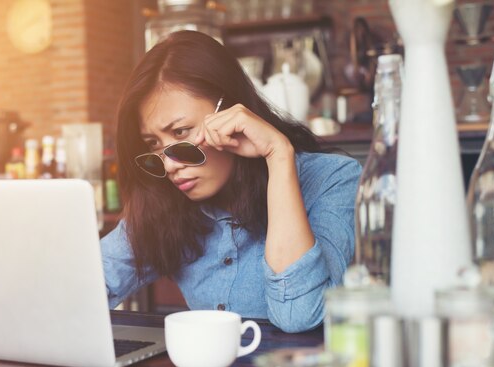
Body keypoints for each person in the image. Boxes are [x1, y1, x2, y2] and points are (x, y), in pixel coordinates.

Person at [101, 30, 361, 333]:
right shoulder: (164, 203)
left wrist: (278, 155)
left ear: (230, 111)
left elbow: (298, 315)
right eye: (154, 144)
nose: (169, 165)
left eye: (182, 133)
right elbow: (82, 286)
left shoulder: (333, 179)